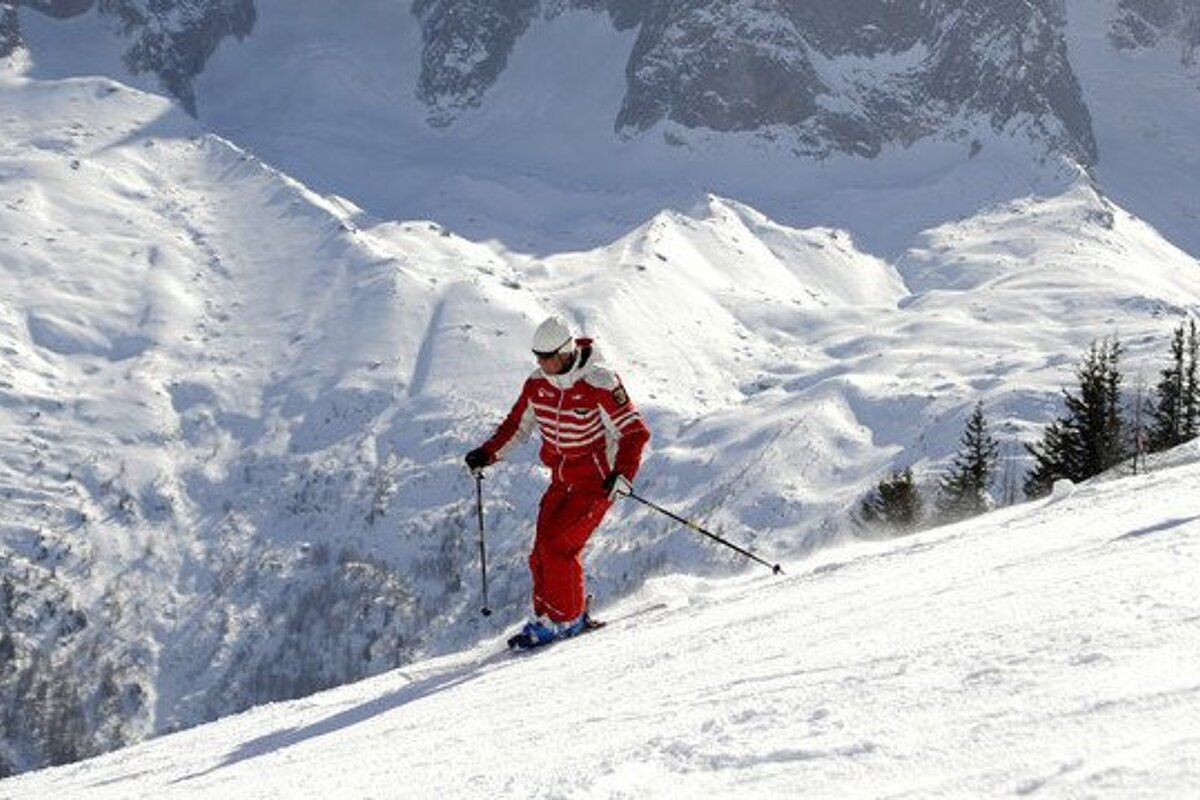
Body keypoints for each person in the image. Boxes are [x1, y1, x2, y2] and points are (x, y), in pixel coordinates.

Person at [465, 315, 650, 648]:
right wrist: (487, 453)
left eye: (547, 357)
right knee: (539, 554)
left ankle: (568, 620)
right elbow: (516, 427)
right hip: (561, 481)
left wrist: (623, 474)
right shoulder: (538, 385)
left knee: (559, 547)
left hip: (597, 483)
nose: (541, 363)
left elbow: (634, 431)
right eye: (537, 356)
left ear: (566, 352)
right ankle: (548, 617)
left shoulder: (600, 382)